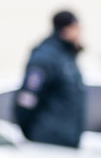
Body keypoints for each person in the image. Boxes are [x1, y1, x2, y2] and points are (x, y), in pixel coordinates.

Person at [13, 10, 86, 148]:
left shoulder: (66, 56)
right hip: (48, 144)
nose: (80, 34)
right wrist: (30, 133)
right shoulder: (45, 58)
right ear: (67, 29)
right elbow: (27, 98)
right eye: (77, 29)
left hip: (65, 142)